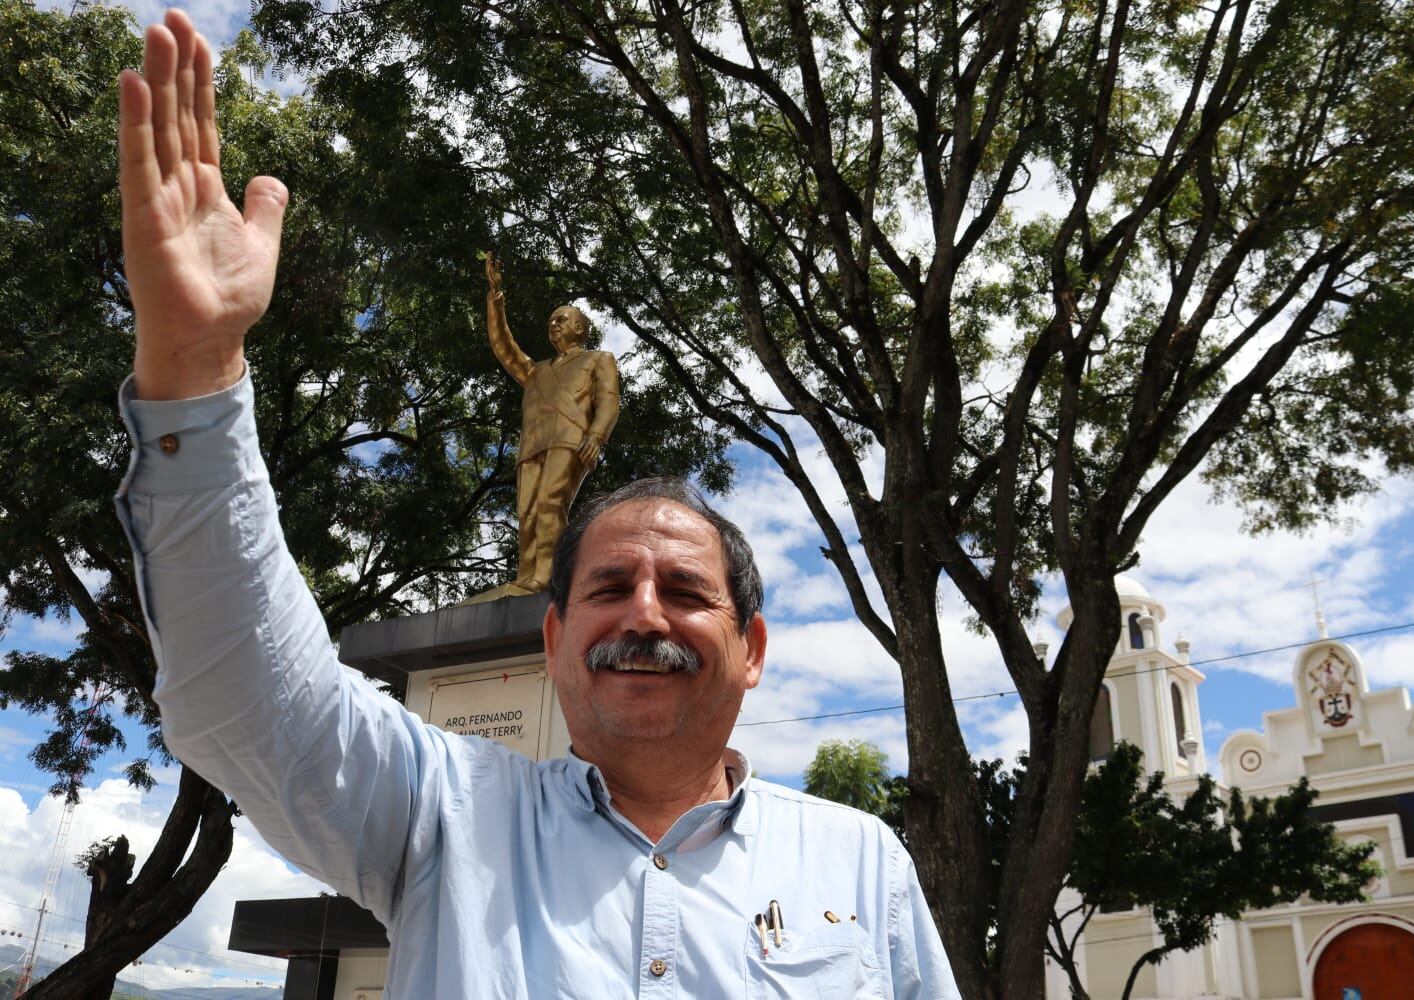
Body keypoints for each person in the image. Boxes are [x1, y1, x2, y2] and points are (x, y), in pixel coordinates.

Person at [115, 9, 960, 998]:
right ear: (555, 640)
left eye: (685, 590)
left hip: (568, 450)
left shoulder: (864, 866)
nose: (645, 612)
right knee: (533, 524)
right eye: (609, 587)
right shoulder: (443, 813)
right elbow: (245, 695)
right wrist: (197, 367)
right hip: (529, 452)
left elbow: (601, 404)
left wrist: (587, 439)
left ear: (755, 647)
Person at [470, 254, 620, 600]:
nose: (553, 324)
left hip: (570, 440)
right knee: (529, 512)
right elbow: (504, 348)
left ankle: (546, 577)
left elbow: (609, 400)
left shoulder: (598, 359)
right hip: (532, 445)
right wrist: (495, 297)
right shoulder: (536, 370)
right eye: (551, 321)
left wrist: (597, 436)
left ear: (580, 328)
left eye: (561, 319)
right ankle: (527, 578)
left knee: (553, 503)